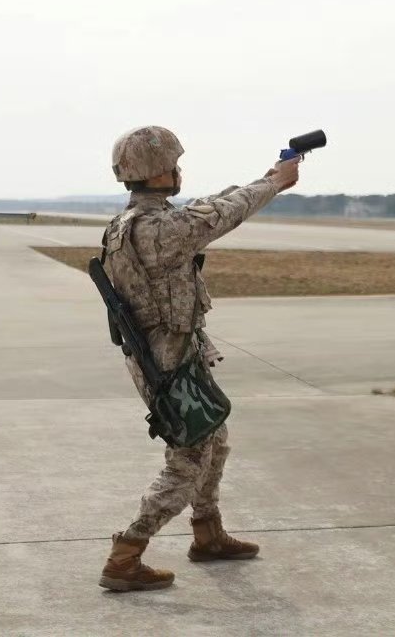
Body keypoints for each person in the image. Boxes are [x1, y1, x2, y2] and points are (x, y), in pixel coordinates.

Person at [98, 125, 299, 592]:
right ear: (159, 172)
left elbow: (208, 206)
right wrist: (273, 185)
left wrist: (266, 176)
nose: (179, 171)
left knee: (217, 440)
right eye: (173, 164)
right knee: (188, 460)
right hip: (169, 365)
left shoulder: (132, 224)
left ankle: (208, 535)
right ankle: (126, 554)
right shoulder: (160, 230)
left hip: (170, 357)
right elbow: (220, 215)